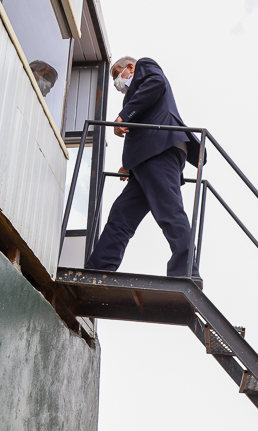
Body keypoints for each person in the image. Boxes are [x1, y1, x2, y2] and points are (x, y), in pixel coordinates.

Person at [84, 56, 204, 284]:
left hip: (160, 150)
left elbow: (156, 83)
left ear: (130, 67)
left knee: (169, 212)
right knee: (121, 217)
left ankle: (186, 273)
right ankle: (98, 270)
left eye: (116, 73)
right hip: (147, 158)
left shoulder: (144, 66)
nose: (116, 81)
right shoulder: (134, 95)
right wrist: (129, 165)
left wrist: (124, 115)